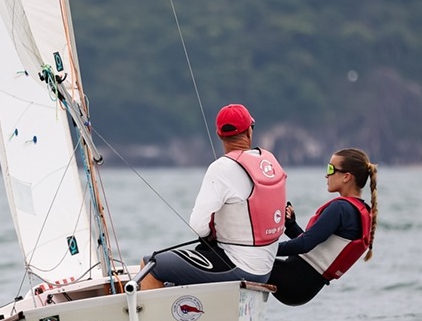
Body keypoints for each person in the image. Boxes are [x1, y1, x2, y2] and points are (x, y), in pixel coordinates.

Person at [139, 104, 287, 289]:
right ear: (250, 131)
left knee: (151, 265)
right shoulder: (270, 161)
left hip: (237, 266)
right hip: (264, 270)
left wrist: (211, 235)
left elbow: (197, 225)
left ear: (219, 135)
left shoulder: (221, 168)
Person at [269, 148, 378, 306]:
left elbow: (304, 245)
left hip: (293, 279)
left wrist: (263, 249)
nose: (326, 175)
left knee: (235, 258)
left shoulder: (341, 209)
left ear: (347, 176)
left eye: (331, 169)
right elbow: (315, 248)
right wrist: (292, 226)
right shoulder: (359, 211)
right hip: (305, 287)